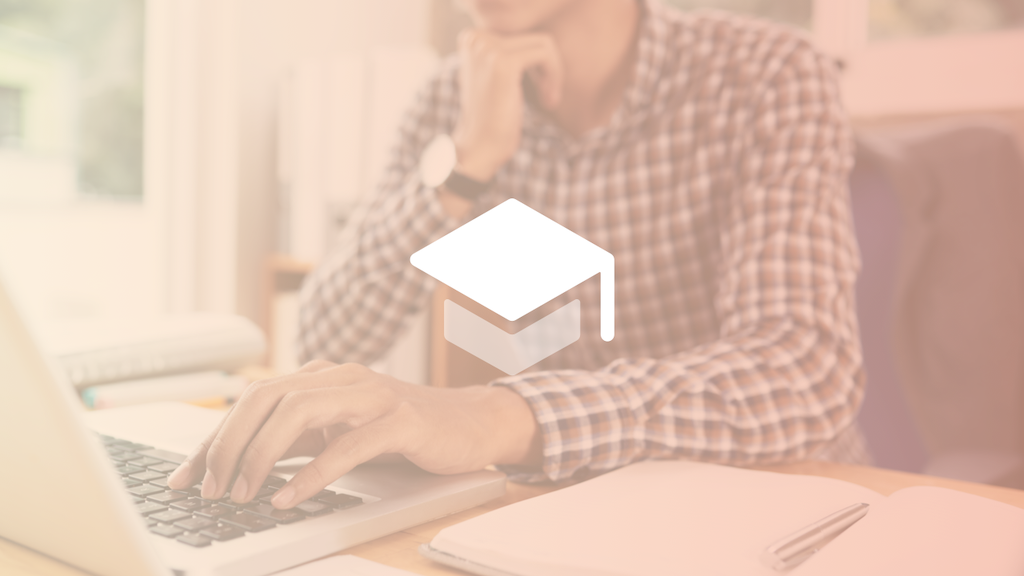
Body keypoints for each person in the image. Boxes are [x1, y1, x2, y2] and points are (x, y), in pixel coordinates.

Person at [169, 0, 867, 509]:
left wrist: (494, 416)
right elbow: (327, 333)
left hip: (778, 503)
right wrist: (466, 166)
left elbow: (804, 369)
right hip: (577, 505)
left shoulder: (769, 75)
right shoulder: (454, 96)